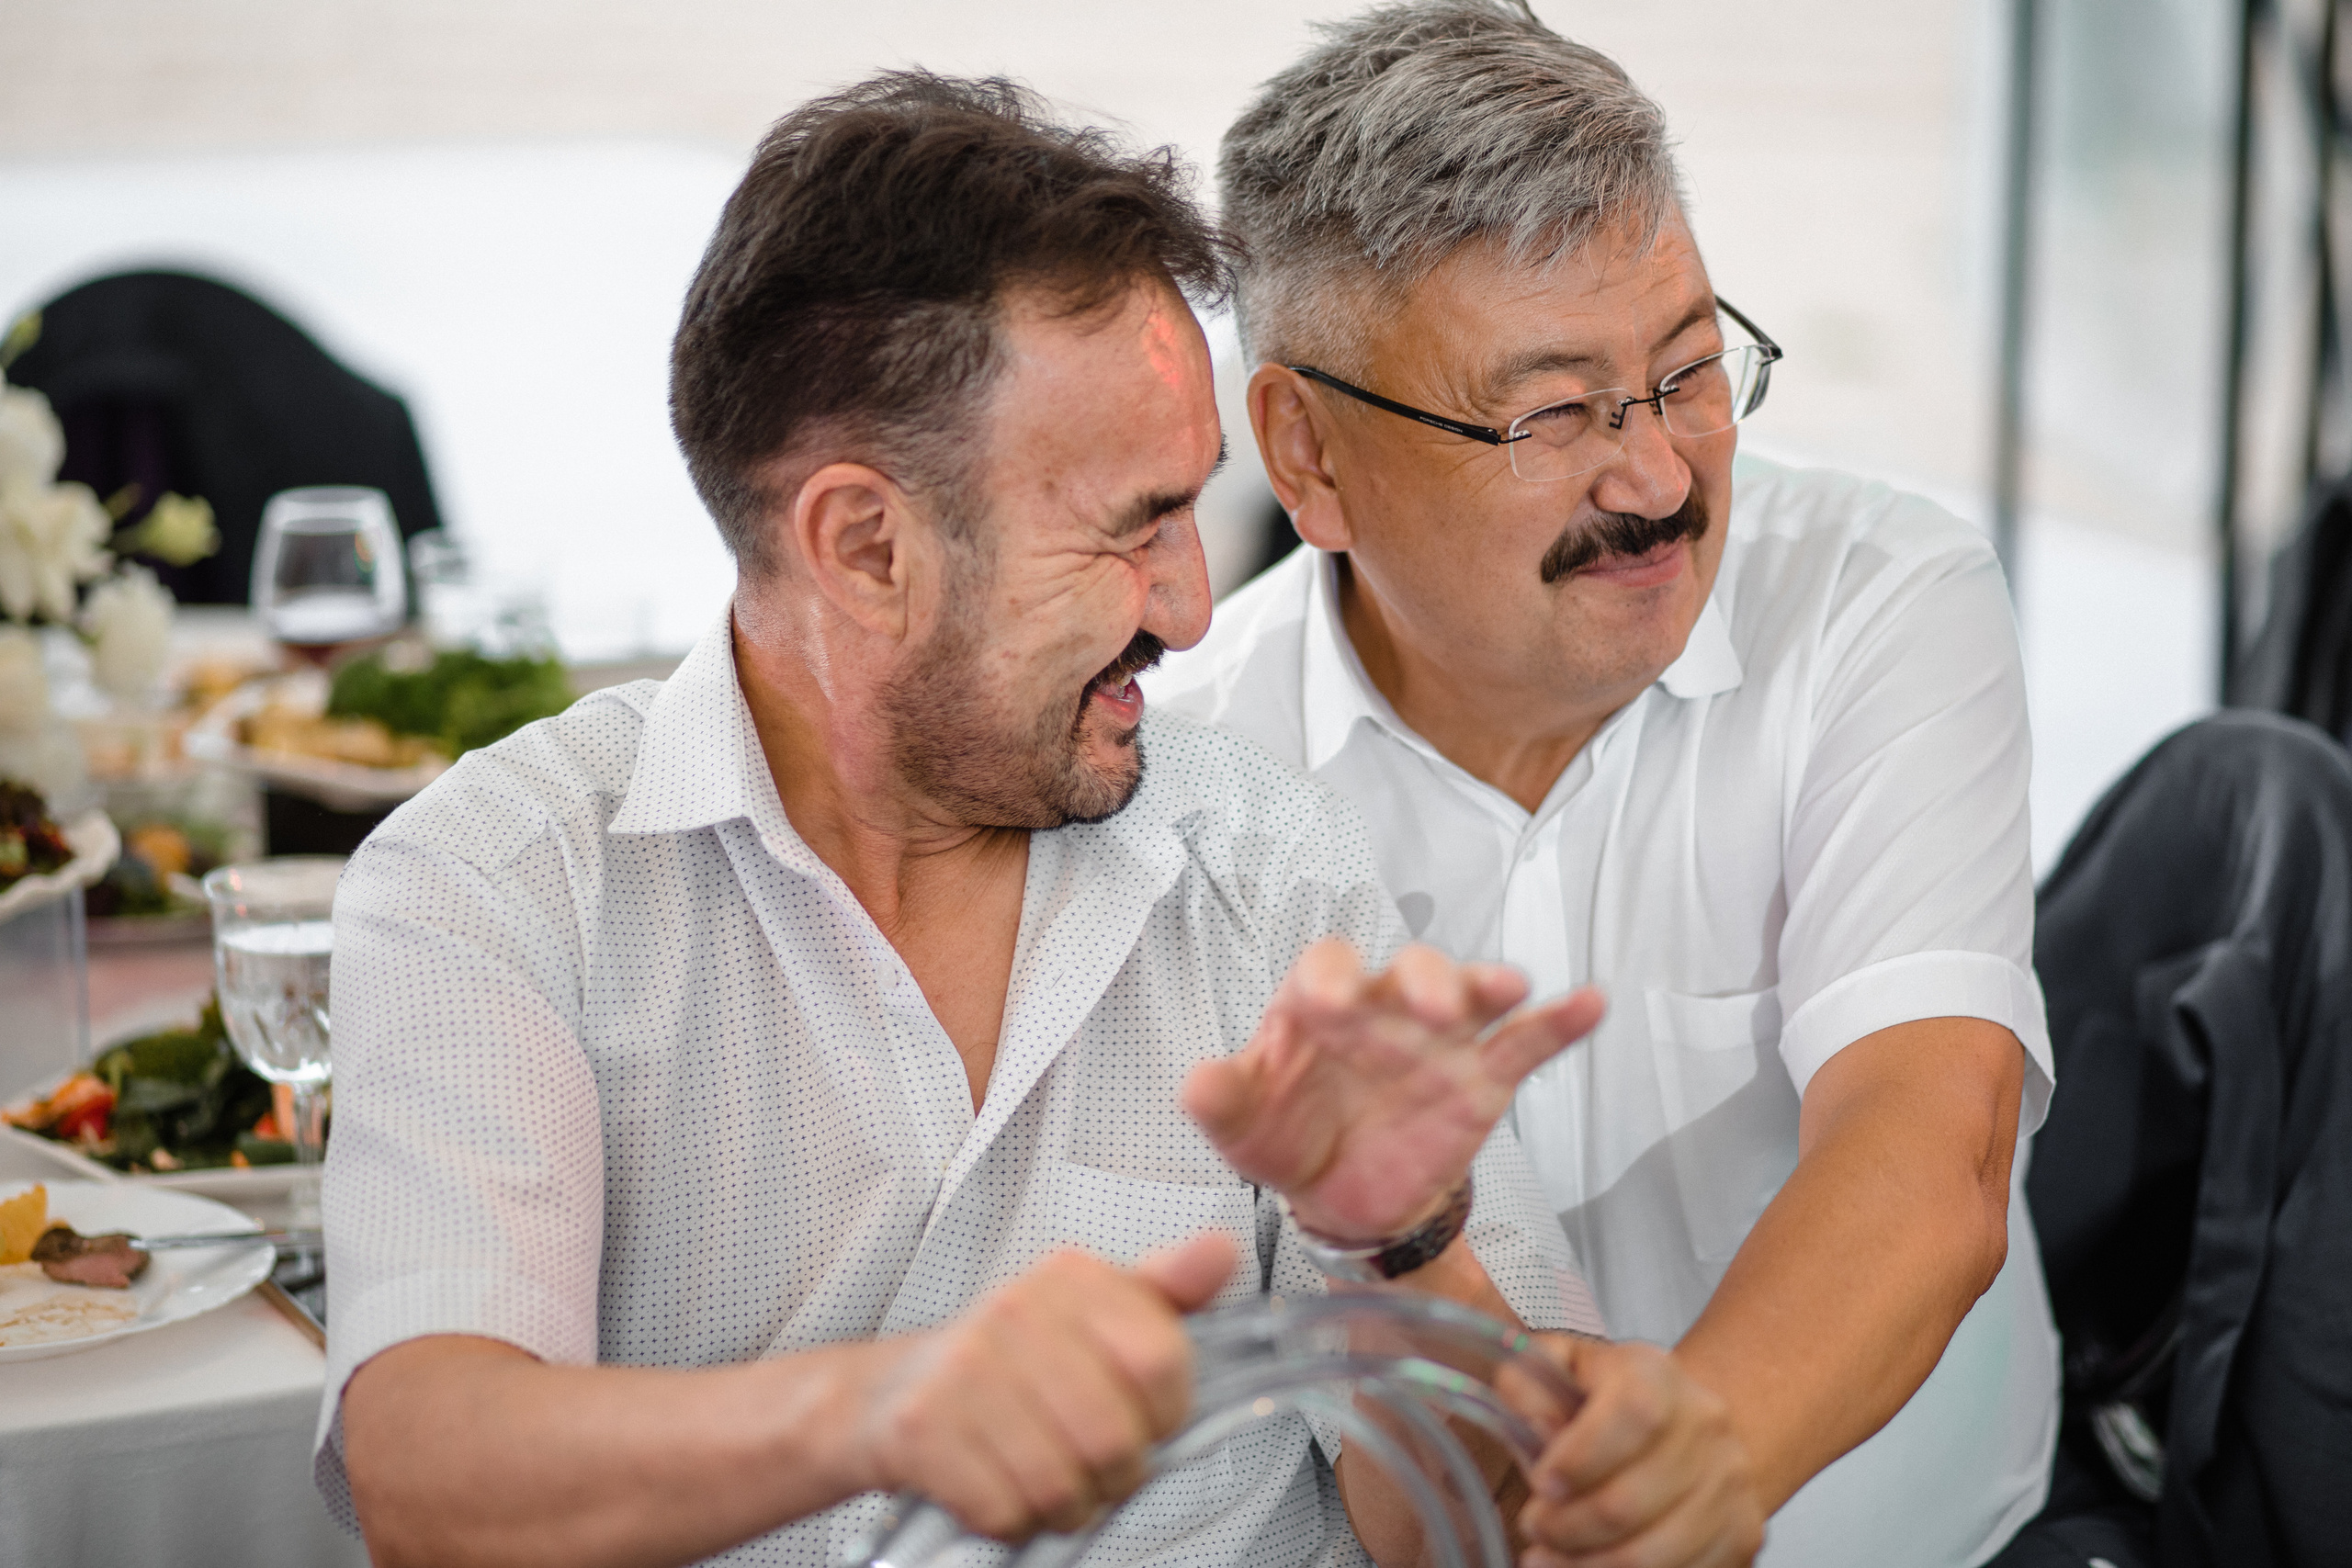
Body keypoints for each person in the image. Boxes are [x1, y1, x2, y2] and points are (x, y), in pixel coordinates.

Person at [316, 73, 1611, 1568]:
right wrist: (887, 1413)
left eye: (1196, 511)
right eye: (1133, 526)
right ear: (866, 547)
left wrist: (1409, 1249)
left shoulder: (1267, 872)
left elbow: (1499, 1532)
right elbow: (431, 1478)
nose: (1193, 605)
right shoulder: (499, 882)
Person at [1150, 5, 2059, 1565]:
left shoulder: (1876, 595)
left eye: (1691, 370)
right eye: (1550, 413)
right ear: (1305, 457)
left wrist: (1691, 1464)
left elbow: (1936, 1145)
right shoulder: (1193, 788)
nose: (1655, 481)